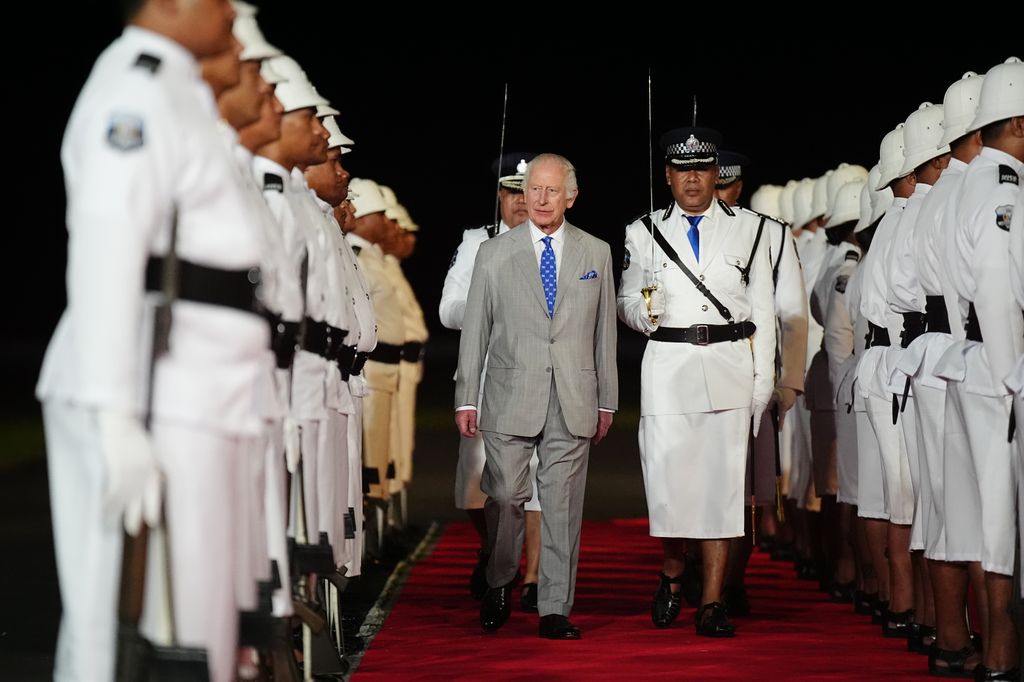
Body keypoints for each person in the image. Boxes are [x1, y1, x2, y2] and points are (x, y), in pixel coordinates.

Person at [35, 1, 270, 679]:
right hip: (148, 386)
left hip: (188, 383)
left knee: (185, 631)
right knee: (120, 627)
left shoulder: (174, 89)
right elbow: (109, 243)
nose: (229, 10)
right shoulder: (135, 88)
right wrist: (115, 416)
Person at [617, 127, 774, 637]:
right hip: (668, 366)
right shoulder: (642, 231)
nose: (692, 179)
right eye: (682, 170)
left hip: (729, 365)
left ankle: (712, 600)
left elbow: (766, 316)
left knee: (723, 490)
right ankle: (671, 572)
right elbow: (623, 302)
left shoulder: (752, 230)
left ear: (715, 174)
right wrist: (643, 313)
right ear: (667, 175)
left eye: (701, 169)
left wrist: (761, 385)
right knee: (668, 485)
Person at [455, 153, 617, 640]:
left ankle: (554, 607)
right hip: (508, 393)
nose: (541, 199)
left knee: (563, 504)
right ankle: (501, 577)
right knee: (505, 496)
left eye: (551, 190)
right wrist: (467, 396)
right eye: (533, 190)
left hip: (574, 394)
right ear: (522, 194)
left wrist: (605, 399)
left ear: (571, 196)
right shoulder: (495, 253)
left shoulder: (596, 252)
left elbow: (603, 331)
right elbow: (475, 330)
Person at [935, 56, 1023, 680]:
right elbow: (995, 284)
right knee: (1000, 529)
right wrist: (1014, 373)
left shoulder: (964, 185)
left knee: (973, 522)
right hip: (1000, 372)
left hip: (968, 362)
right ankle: (1001, 660)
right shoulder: (1001, 189)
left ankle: (993, 657)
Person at [440, 152, 545, 611]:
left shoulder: (555, 245)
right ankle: (494, 547)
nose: (521, 201)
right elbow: (449, 309)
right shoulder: (478, 242)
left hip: (542, 377)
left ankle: (535, 576)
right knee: (476, 485)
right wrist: (492, 310)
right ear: (499, 196)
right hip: (487, 380)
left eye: (529, 191)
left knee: (538, 480)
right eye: (511, 191)